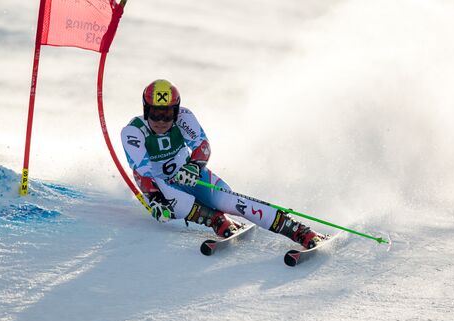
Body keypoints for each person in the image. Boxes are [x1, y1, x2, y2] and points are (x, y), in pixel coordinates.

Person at [121, 79, 326, 249]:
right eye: (155, 113)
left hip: (190, 176)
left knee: (232, 201)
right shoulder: (133, 131)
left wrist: (194, 166)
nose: (161, 121)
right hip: (160, 186)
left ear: (176, 111)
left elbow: (203, 145)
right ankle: (216, 220)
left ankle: (300, 231)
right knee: (176, 202)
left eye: (167, 114)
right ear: (146, 110)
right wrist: (155, 198)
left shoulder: (184, 117)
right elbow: (142, 171)